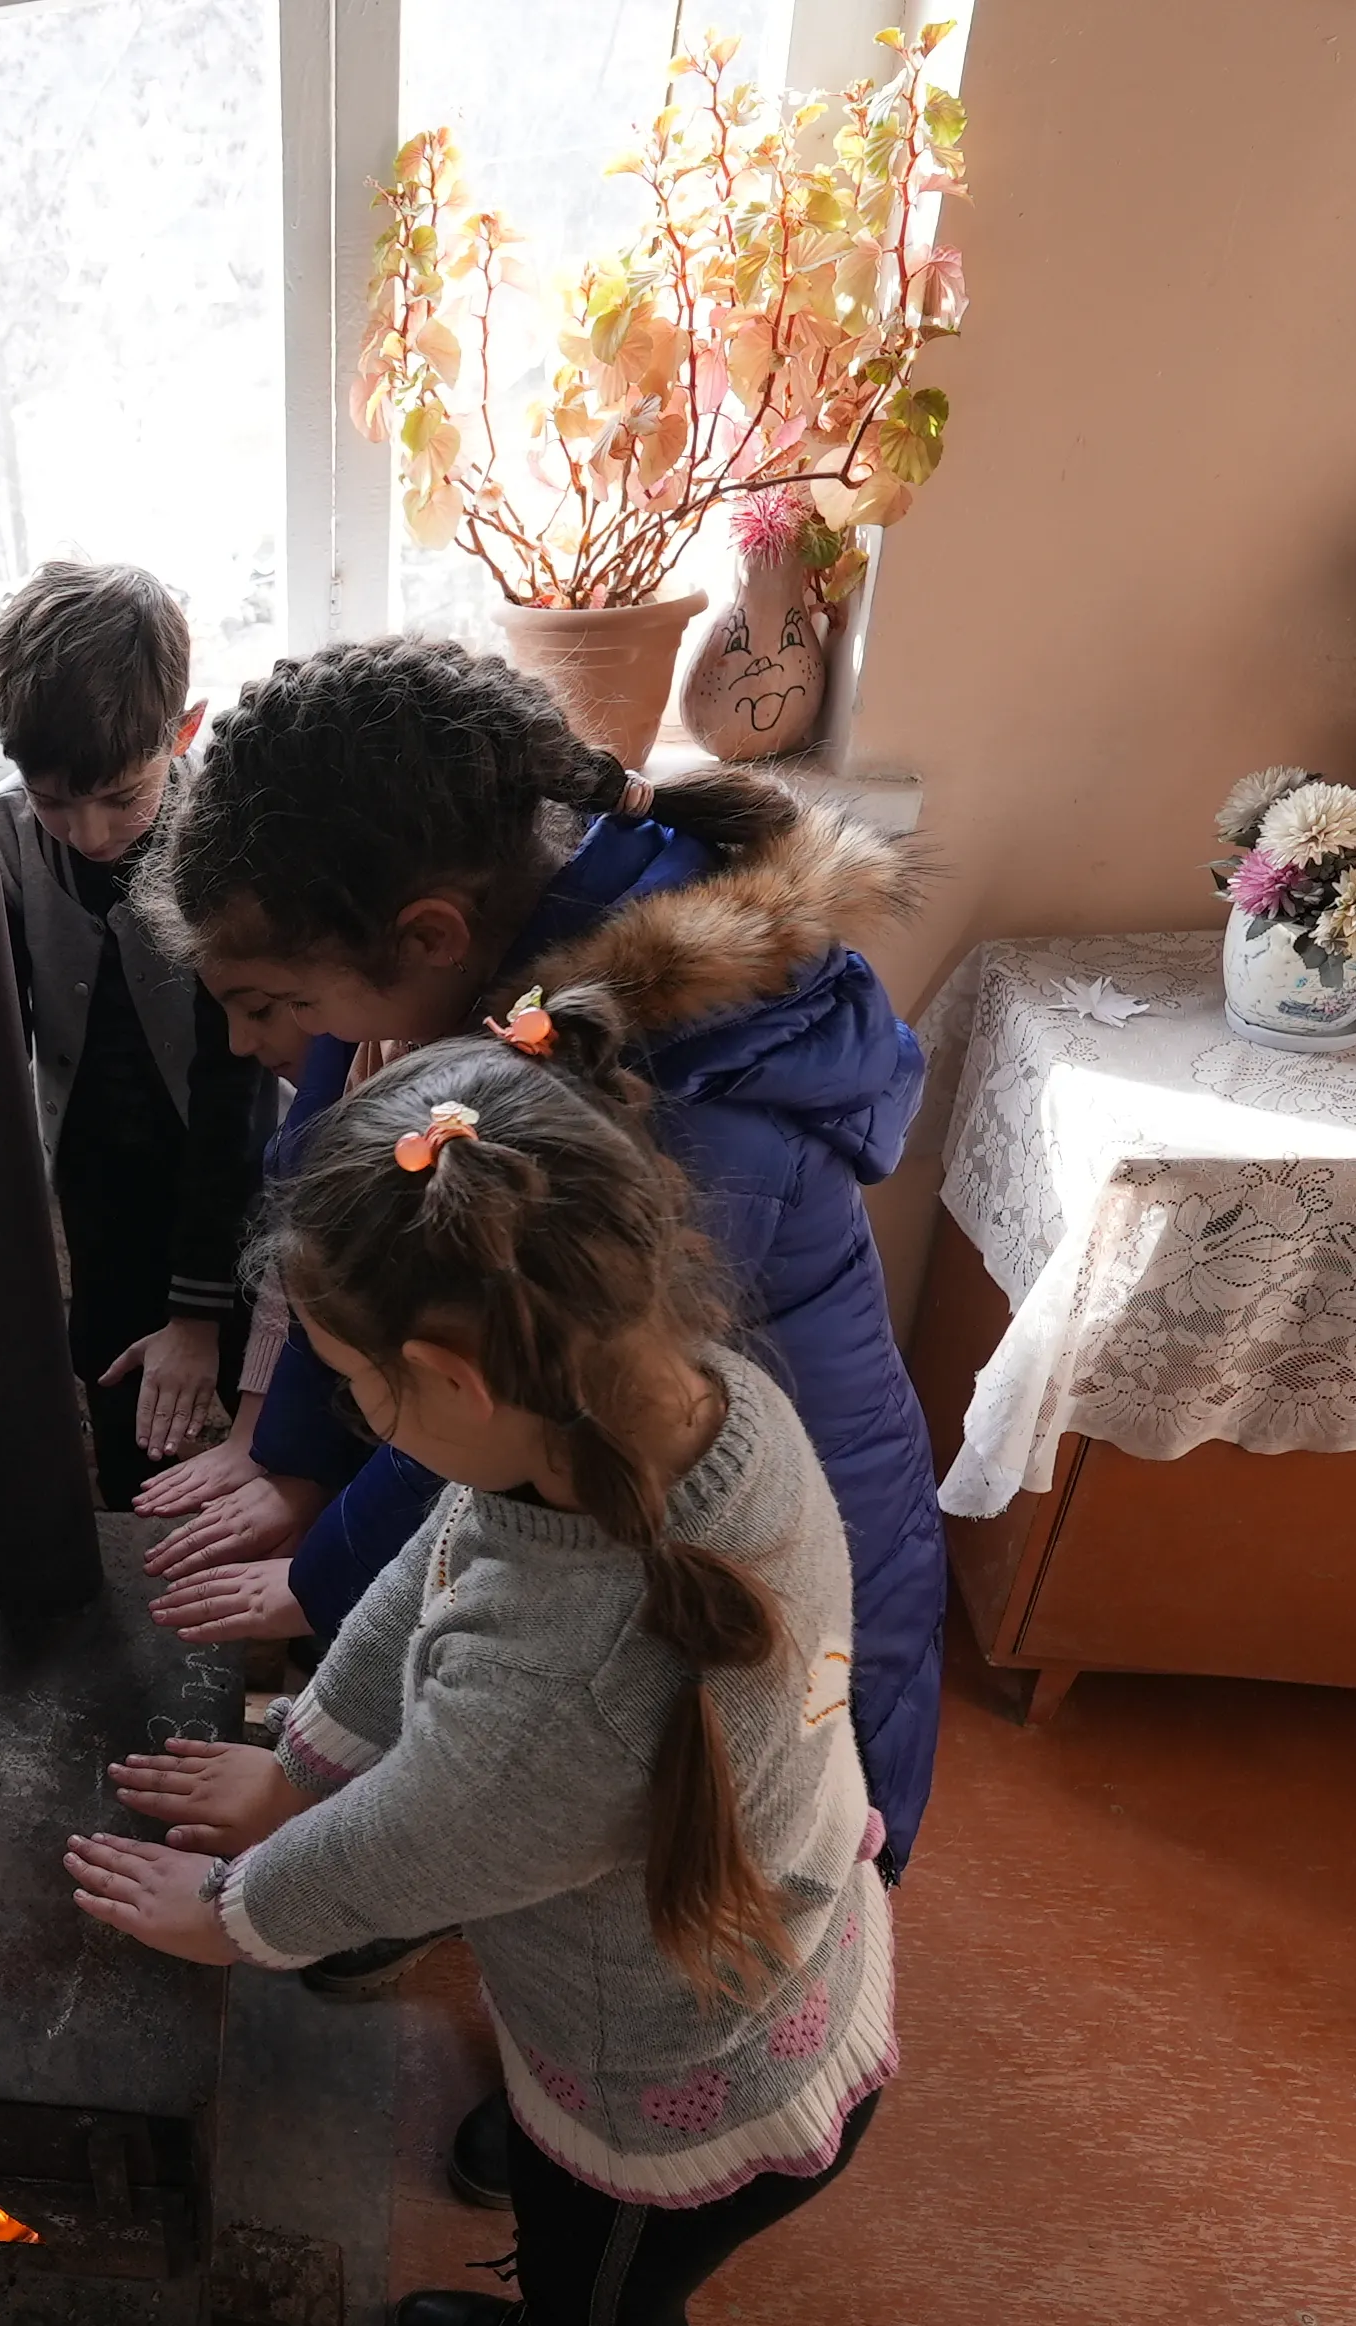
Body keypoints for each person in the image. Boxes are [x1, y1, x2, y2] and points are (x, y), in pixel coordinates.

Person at [71, 1012, 891, 2326]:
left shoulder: (571, 1696)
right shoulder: (646, 1407)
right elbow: (437, 1570)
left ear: (446, 1373)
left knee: (611, 2317)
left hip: (688, 2063)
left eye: (357, 1386)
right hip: (740, 1951)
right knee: (582, 2270)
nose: (364, 1416)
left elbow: (421, 1841)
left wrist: (232, 1915)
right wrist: (303, 1751)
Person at [138, 640, 942, 2207]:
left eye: (271, 1005)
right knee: (591, 1857)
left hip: (755, 1579)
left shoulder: (673, 1130)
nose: (257, 1044)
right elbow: (345, 1223)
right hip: (606, 1517)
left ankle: (652, 2116)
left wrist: (312, 1620)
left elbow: (478, 1478)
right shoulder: (466, 1011)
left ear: (425, 941)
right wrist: (294, 1464)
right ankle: (584, 2076)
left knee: (705, 1880)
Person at [0, 561, 272, 1503]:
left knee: (247, 1405)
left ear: (182, 734)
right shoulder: (5, 838)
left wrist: (195, 1312)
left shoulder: (228, 832)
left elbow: (237, 1094)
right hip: (98, 1173)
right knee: (114, 1386)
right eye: (53, 799)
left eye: (120, 796)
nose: (90, 832)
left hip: (232, 1172)